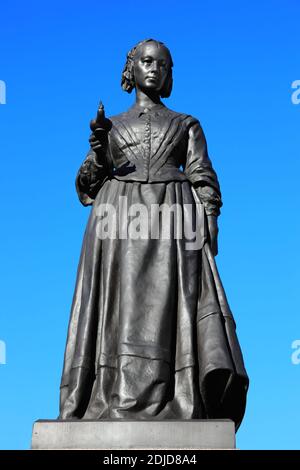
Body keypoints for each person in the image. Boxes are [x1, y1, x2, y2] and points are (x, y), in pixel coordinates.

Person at [59, 39, 248, 429]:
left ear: (169, 74)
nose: (154, 69)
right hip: (117, 219)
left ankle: (173, 395)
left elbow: (203, 176)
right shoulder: (111, 127)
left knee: (169, 309)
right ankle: (111, 393)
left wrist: (208, 220)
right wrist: (98, 154)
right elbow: (84, 186)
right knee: (119, 311)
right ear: (131, 67)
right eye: (146, 61)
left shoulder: (186, 123)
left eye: (163, 64)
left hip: (174, 220)